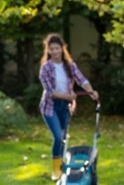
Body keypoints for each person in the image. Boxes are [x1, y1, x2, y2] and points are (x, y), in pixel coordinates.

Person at [38, 33, 99, 181]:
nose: (55, 52)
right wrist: (69, 97)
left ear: (62, 49)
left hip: (65, 107)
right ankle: (55, 169)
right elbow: (50, 92)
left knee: (64, 138)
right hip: (50, 106)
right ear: (48, 50)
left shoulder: (70, 66)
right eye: (51, 49)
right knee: (58, 136)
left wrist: (91, 91)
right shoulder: (45, 68)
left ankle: (62, 167)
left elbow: (81, 79)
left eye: (57, 48)